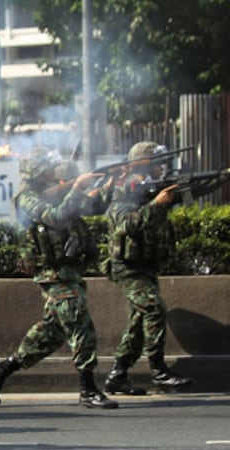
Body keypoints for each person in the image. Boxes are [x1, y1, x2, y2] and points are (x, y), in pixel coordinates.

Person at [0, 148, 118, 409]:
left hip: (67, 271)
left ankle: (1, 370)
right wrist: (76, 187)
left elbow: (91, 207)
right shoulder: (27, 198)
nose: (54, 172)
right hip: (52, 273)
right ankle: (88, 389)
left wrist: (108, 185)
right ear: (38, 171)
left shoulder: (55, 192)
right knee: (80, 323)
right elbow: (56, 218)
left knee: (52, 332)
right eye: (49, 168)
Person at [102, 141, 192, 395]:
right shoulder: (124, 188)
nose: (162, 167)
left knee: (139, 322)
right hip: (127, 266)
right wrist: (157, 204)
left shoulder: (151, 187)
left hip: (146, 265)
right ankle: (158, 370)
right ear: (144, 164)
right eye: (157, 163)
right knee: (154, 309)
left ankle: (118, 375)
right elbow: (126, 224)